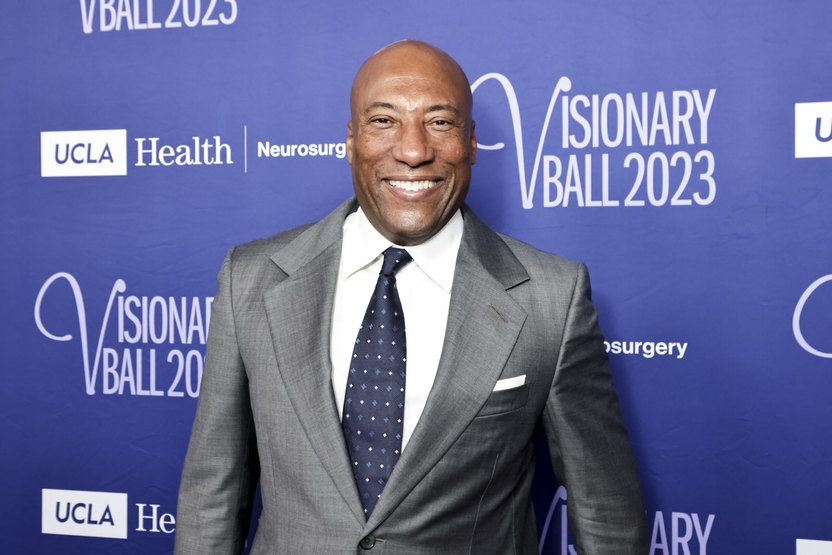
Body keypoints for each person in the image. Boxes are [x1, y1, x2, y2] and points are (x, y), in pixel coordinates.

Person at [175, 40, 647, 554]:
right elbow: (212, 496)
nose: (414, 150)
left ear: (470, 142)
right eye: (384, 121)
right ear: (351, 140)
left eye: (440, 122)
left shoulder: (552, 297)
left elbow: (606, 511)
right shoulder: (251, 279)